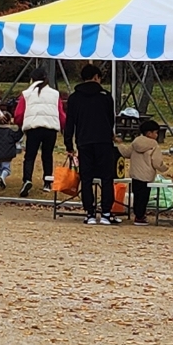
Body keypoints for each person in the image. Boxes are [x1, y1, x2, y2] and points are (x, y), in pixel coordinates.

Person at [64, 64, 118, 225]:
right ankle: (107, 212)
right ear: (96, 77)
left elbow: (70, 123)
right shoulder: (106, 96)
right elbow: (111, 120)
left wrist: (69, 145)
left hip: (84, 141)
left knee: (86, 178)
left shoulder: (74, 98)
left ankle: (90, 213)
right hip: (104, 141)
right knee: (107, 178)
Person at [16, 77, 62, 197]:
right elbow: (60, 112)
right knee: (47, 155)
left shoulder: (26, 94)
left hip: (33, 127)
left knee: (30, 156)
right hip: (50, 128)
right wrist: (62, 125)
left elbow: (19, 113)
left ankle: (27, 180)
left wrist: (20, 123)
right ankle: (47, 182)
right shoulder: (55, 94)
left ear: (32, 79)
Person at [123, 119, 167, 225]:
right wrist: (164, 168)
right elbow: (156, 162)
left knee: (137, 195)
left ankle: (137, 215)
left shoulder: (135, 142)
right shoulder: (154, 145)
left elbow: (127, 153)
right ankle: (140, 216)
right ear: (149, 133)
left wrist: (119, 144)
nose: (156, 135)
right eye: (155, 132)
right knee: (144, 197)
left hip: (135, 174)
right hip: (146, 175)